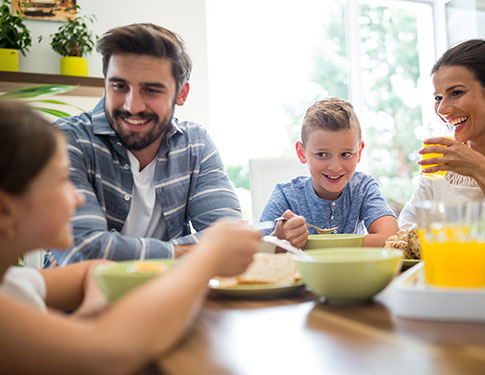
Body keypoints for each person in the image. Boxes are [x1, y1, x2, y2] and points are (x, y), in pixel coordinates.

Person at [0, 101, 260, 373]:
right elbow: (111, 353)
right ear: (4, 211)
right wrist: (208, 256)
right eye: (62, 180)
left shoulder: (12, 284)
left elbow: (94, 268)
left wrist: (95, 306)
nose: (78, 197)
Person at [51, 23, 241, 266]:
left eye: (151, 90)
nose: (133, 106)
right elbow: (81, 251)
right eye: (119, 86)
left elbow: (229, 237)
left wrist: (111, 252)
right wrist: (189, 253)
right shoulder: (66, 140)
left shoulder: (196, 145)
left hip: (173, 296)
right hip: (79, 302)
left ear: (181, 94)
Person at [259, 97, 398, 248]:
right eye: (322, 155)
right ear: (301, 153)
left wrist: (316, 246)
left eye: (345, 154)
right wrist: (278, 240)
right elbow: (256, 253)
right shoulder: (286, 195)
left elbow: (391, 238)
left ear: (359, 152)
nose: (335, 167)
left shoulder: (363, 187)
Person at [399, 39, 485, 230]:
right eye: (438, 98)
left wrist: (478, 166)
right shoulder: (442, 164)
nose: (443, 109)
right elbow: (407, 230)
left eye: (456, 93)